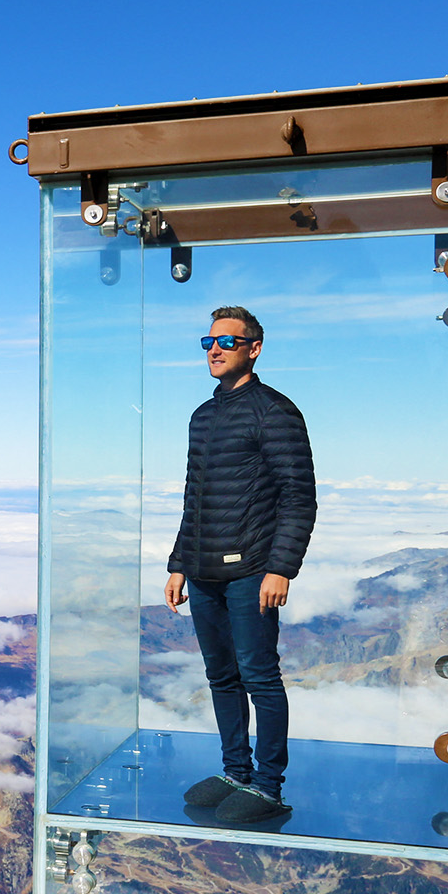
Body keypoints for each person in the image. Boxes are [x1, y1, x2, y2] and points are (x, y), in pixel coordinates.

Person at [167, 306, 316, 824]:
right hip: (204, 570)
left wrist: (281, 569)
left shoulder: (275, 412)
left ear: (254, 348)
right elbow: (196, 498)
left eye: (227, 342)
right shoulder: (202, 416)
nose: (214, 349)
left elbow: (299, 497)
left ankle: (268, 785)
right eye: (208, 340)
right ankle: (235, 771)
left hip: (253, 569)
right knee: (221, 675)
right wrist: (179, 562)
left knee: (259, 676)